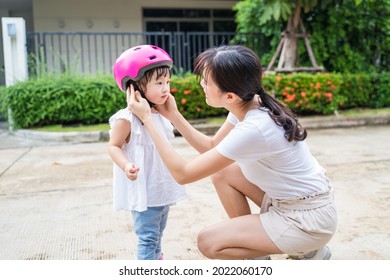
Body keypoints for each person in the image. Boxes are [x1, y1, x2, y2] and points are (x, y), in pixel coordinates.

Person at [127, 45, 337, 260]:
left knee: (208, 242)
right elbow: (211, 148)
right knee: (222, 173)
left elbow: (183, 174)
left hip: (305, 221)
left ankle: (307, 249)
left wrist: (147, 119)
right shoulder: (252, 102)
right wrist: (174, 116)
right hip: (301, 203)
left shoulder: (255, 127)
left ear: (229, 97)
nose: (202, 84)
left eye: (207, 81)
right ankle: (262, 256)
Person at [108, 45, 186, 260]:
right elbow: (113, 146)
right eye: (159, 83)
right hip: (145, 193)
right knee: (148, 238)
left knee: (158, 235)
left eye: (167, 82)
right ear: (135, 89)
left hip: (161, 191)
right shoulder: (127, 119)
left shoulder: (160, 115)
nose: (166, 89)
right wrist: (125, 165)